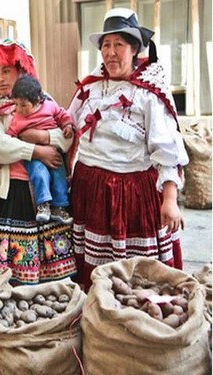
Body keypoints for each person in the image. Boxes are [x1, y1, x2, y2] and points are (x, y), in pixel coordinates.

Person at [67, 8, 189, 291]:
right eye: (106, 45)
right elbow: (68, 125)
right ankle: (100, 320)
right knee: (94, 275)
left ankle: (141, 323)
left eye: (118, 45)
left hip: (133, 194)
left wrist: (169, 199)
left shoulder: (149, 93)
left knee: (138, 279)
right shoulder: (91, 88)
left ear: (134, 49)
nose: (111, 53)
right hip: (90, 190)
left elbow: (167, 148)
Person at [0, 39, 77, 285]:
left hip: (49, 194)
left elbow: (66, 139)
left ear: (22, 70)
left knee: (53, 261)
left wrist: (39, 136)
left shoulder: (43, 100)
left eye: (7, 71)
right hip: (13, 191)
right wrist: (38, 151)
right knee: (15, 270)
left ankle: (53, 305)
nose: (0, 79)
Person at [8, 74, 74, 224]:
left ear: (37, 101)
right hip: (34, 154)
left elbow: (62, 114)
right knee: (39, 174)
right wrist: (20, 142)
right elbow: (10, 137)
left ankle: (59, 207)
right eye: (16, 104)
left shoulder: (50, 106)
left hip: (54, 151)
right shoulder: (17, 118)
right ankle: (43, 205)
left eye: (23, 105)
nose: (19, 109)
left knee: (59, 176)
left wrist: (67, 126)